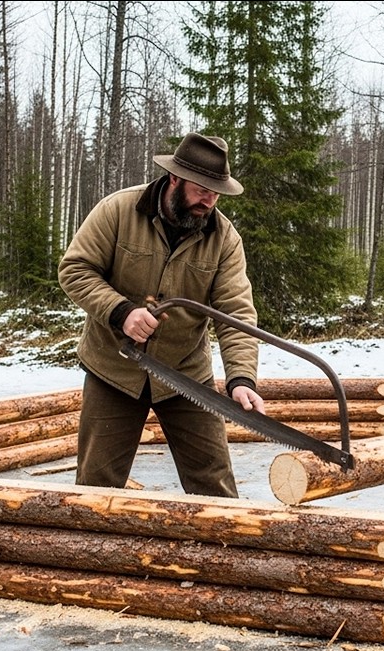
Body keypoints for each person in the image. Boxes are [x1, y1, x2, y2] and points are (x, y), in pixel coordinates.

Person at [58, 131, 265, 498]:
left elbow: (235, 312)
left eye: (216, 192)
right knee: (96, 488)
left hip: (185, 373)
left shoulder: (224, 238)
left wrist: (241, 378)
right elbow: (75, 269)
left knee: (215, 487)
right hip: (114, 369)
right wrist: (121, 312)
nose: (208, 200)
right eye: (201, 190)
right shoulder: (118, 210)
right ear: (174, 178)